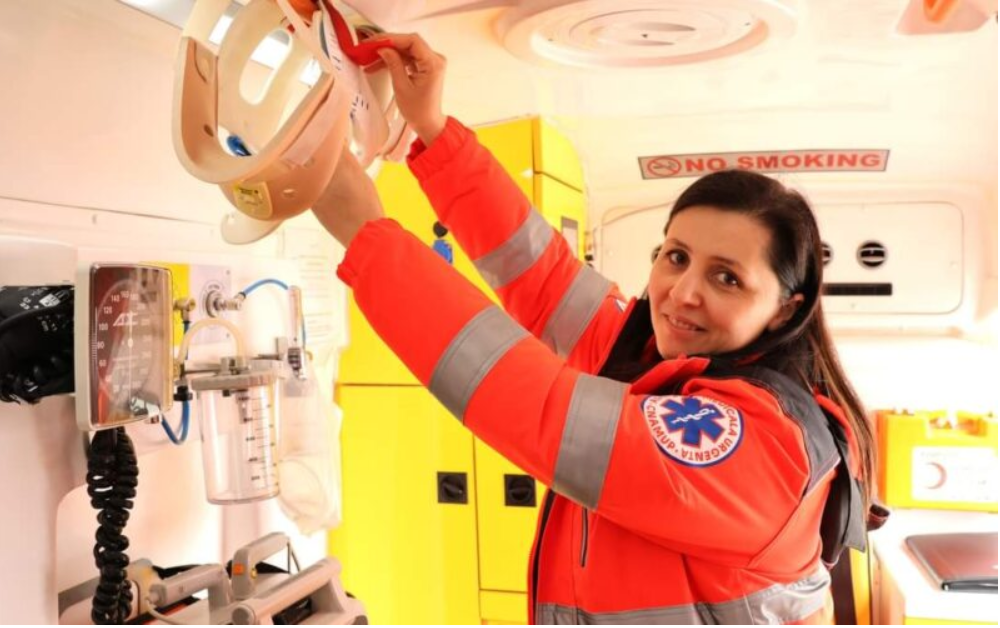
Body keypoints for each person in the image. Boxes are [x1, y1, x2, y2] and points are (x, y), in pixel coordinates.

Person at [312, 33, 885, 625]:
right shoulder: (657, 357)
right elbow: (541, 274)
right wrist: (432, 129)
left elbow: (537, 410)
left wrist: (370, 240)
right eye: (676, 256)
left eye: (727, 278)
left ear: (786, 310)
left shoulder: (762, 449)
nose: (682, 292)